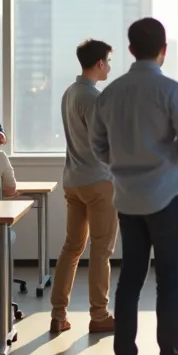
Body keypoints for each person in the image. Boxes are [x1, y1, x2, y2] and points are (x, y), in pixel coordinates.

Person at [91, 17, 178, 355]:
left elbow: (97, 146)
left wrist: (122, 163)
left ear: (129, 50)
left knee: (130, 280)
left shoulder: (111, 93)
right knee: (169, 283)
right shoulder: (170, 90)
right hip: (168, 197)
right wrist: (167, 156)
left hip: (127, 198)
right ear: (164, 49)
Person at [51, 39, 118, 336]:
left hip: (73, 181)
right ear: (100, 63)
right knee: (101, 250)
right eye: (109, 62)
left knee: (72, 247)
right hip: (98, 182)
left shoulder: (69, 93)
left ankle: (58, 314)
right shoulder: (93, 97)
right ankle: (99, 315)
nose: (110, 68)